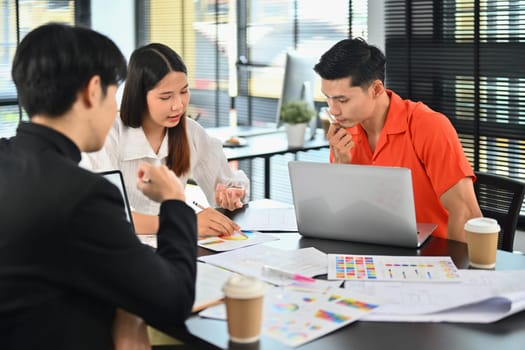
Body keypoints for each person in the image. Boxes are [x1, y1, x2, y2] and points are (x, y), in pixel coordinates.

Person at [0, 23, 197, 349]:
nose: (115, 110)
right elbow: (173, 299)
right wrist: (175, 200)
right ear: (94, 91)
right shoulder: (82, 196)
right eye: (114, 93)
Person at [313, 38, 482, 242]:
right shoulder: (344, 131)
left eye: (342, 100)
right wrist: (340, 168)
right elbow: (342, 216)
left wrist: (455, 271)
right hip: (375, 249)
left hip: (432, 256)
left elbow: (466, 213)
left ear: (376, 89)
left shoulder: (429, 126)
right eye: (328, 98)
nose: (333, 110)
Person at [82, 43, 249, 237]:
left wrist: (231, 195)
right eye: (165, 97)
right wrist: (184, 222)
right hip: (119, 252)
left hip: (172, 248)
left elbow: (227, 184)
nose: (178, 105)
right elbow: (106, 215)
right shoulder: (109, 134)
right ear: (139, 96)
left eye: (184, 91)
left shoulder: (191, 132)